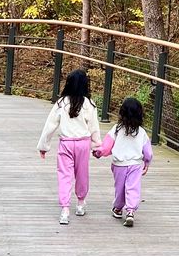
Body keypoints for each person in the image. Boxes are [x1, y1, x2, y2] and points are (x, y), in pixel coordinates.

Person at [38, 68, 102, 225]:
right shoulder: (89, 104)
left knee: (64, 175)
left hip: (66, 143)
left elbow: (50, 125)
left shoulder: (61, 103)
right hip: (83, 144)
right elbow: (94, 127)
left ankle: (65, 209)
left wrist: (44, 145)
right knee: (82, 173)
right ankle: (80, 203)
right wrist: (96, 146)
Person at [95, 96, 152, 227]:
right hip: (135, 164)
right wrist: (147, 162)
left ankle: (118, 208)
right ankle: (130, 211)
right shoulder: (141, 132)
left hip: (119, 164)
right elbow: (148, 152)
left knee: (120, 187)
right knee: (133, 187)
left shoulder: (116, 129)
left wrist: (99, 152)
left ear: (122, 112)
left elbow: (107, 146)